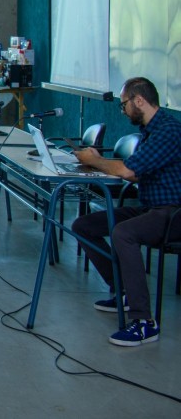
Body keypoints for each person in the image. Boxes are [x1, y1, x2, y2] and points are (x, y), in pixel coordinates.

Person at [71, 77, 181, 347]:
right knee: (83, 226)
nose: (123, 111)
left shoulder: (168, 130)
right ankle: (123, 291)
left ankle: (144, 322)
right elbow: (135, 174)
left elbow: (129, 170)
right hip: (152, 207)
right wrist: (99, 165)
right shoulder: (150, 130)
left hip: (173, 213)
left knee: (123, 233)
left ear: (139, 101)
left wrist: (97, 161)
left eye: (124, 105)